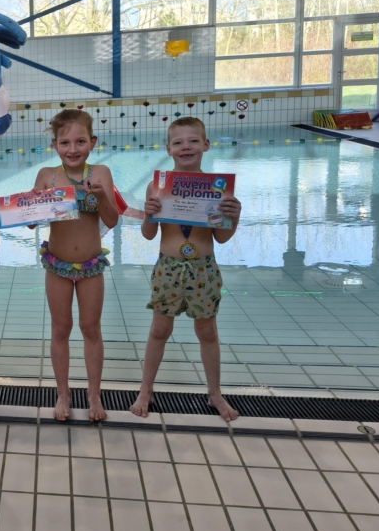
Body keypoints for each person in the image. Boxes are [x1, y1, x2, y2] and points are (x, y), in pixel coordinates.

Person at [130, 117, 242, 421]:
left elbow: (222, 237)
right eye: (178, 142)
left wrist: (235, 216)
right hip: (168, 268)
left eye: (193, 140)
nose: (186, 147)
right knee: (159, 330)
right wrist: (149, 214)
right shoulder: (157, 186)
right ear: (168, 149)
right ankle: (145, 390)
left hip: (203, 268)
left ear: (205, 145)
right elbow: (148, 235)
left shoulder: (219, 188)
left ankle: (214, 393)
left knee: (207, 332)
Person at [29, 110, 118, 422]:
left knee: (91, 328)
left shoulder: (101, 173)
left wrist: (102, 197)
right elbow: (31, 222)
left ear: (92, 142)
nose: (73, 149)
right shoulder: (47, 176)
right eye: (65, 143)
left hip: (91, 266)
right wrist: (33, 206)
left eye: (80, 141)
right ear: (54, 145)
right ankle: (63, 393)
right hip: (58, 266)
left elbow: (111, 220)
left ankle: (94, 394)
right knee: (61, 329)